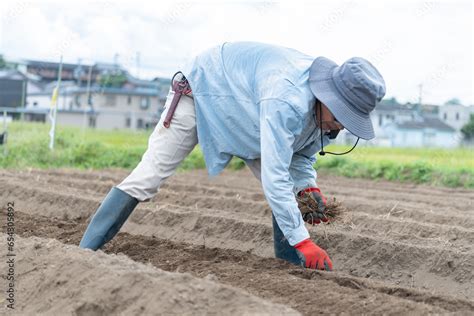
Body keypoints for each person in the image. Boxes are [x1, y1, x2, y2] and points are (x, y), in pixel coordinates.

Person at [79, 41, 386, 271]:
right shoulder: (287, 99)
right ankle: (83, 254)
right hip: (202, 93)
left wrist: (309, 188)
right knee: (148, 178)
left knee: (292, 191)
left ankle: (289, 265)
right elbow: (275, 175)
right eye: (340, 115)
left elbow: (302, 156)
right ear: (326, 95)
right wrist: (304, 239)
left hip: (246, 113)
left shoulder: (324, 114)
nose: (340, 125)